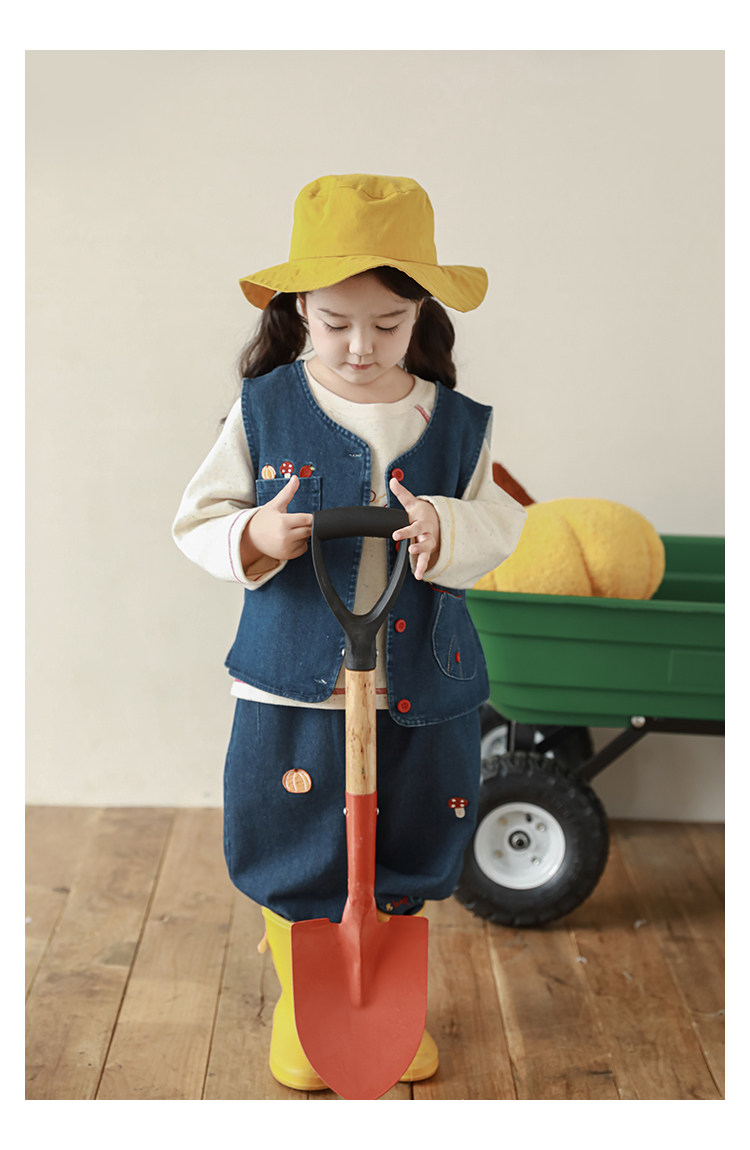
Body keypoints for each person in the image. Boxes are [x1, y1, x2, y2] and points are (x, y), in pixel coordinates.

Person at [172, 174, 527, 1091]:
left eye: (388, 324)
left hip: (420, 681)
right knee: (292, 832)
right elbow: (198, 520)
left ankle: (382, 997)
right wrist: (254, 534)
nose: (361, 347)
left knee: (412, 828)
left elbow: (501, 524)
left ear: (421, 315)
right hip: (294, 683)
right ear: (299, 310)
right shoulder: (263, 409)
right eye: (335, 323)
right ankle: (305, 993)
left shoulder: (455, 423)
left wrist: (449, 526)